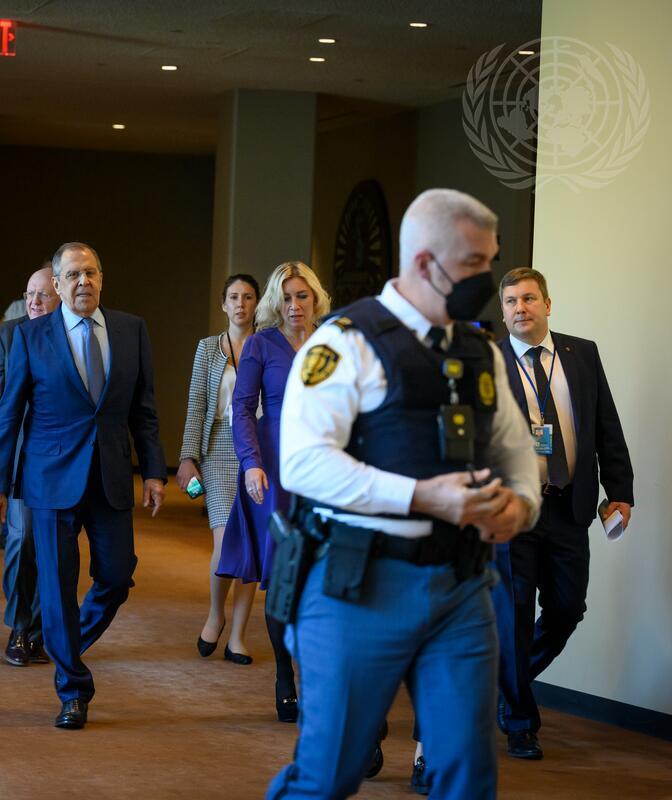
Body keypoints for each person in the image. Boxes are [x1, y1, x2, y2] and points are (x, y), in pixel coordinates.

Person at [267, 188, 541, 799]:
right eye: (474, 264)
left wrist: (521, 503)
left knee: (468, 775)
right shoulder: (344, 343)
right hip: (360, 585)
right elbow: (303, 464)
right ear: (424, 263)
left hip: (461, 587)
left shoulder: (480, 351)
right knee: (327, 776)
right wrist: (424, 496)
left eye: (490, 260)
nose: (487, 278)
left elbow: (514, 448)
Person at [0, 242, 166, 730]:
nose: (83, 282)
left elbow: (144, 409)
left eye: (91, 273)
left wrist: (153, 470)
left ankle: (60, 642)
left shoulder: (131, 329)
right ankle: (73, 689)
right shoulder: (30, 336)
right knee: (57, 586)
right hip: (49, 480)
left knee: (117, 577)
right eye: (73, 275)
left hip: (110, 476)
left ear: (102, 279)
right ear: (57, 285)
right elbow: (9, 414)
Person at [493, 267, 634, 760]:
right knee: (514, 615)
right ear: (503, 312)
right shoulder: (488, 364)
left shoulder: (582, 354)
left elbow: (606, 426)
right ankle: (520, 722)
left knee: (567, 609)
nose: (520, 308)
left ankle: (502, 684)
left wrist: (621, 491)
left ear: (548, 304)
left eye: (529, 298)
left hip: (569, 505)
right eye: (511, 301)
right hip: (513, 511)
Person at [219, 264, 327, 712]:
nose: (294, 305)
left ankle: (319, 676)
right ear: (274, 303)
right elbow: (243, 407)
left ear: (315, 299)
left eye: (302, 296)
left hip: (325, 466)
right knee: (283, 572)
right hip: (275, 467)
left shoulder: (332, 343)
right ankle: (285, 672)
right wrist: (251, 463)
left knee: (321, 575)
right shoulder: (261, 344)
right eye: (285, 298)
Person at [176, 273, 261, 666]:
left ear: (257, 303)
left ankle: (239, 636)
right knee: (226, 540)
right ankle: (216, 614)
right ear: (224, 305)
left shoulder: (268, 345)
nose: (241, 303)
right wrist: (187, 457)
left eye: (248, 297)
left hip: (259, 449)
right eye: (234, 297)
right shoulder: (208, 348)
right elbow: (196, 404)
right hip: (218, 449)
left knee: (252, 544)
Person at [0, 266, 60, 666]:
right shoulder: (7, 334)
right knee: (22, 539)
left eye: (43, 294)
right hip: (18, 458)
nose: (34, 302)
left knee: (55, 548)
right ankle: (19, 625)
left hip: (62, 461)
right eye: (30, 293)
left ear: (61, 296)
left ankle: (41, 632)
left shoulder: (73, 336)